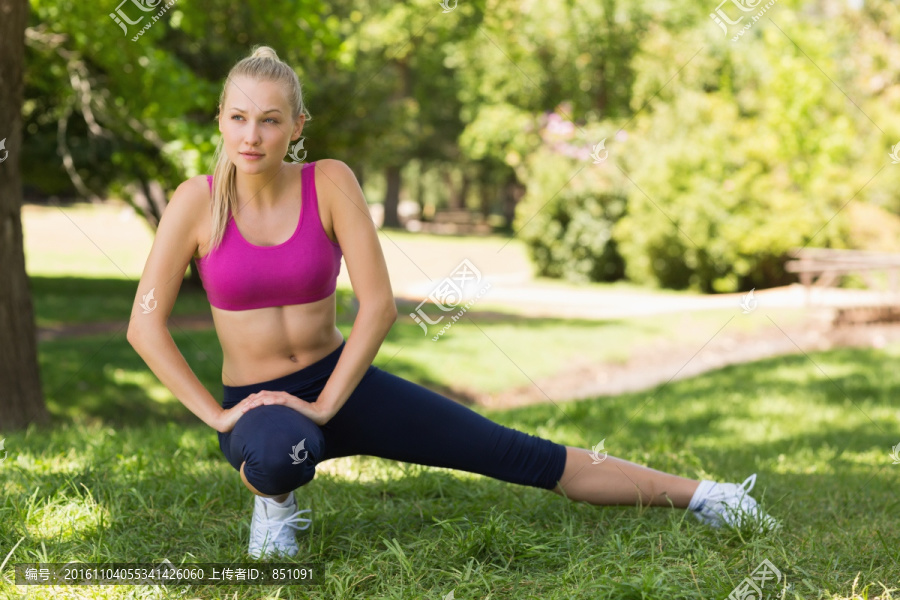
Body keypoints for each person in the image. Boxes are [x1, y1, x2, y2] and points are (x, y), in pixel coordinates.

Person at [126, 45, 777, 559]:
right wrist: (218, 417)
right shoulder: (195, 203)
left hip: (343, 383)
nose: (252, 135)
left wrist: (326, 402)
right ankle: (276, 503)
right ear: (220, 119)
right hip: (263, 408)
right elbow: (145, 326)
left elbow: (377, 306)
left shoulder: (330, 182)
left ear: (297, 125)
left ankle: (709, 497)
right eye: (239, 118)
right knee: (274, 453)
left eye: (270, 120)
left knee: (520, 454)